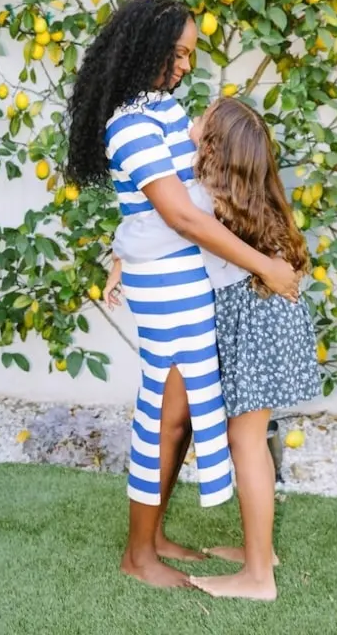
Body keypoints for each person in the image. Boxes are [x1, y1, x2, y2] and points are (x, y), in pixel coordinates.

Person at [64, 0, 300, 589]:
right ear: (145, 47)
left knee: (185, 417)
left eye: (191, 54)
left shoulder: (163, 110)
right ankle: (138, 555)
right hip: (167, 285)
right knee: (165, 418)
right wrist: (266, 268)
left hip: (186, 276)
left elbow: (198, 187)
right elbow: (182, 217)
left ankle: (157, 535)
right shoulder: (130, 125)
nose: (186, 65)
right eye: (178, 53)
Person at [105, 96, 320, 601]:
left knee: (245, 441)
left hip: (253, 322)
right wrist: (118, 259)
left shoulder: (202, 201)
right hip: (268, 320)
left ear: (213, 146)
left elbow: (156, 227)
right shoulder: (241, 196)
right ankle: (257, 553)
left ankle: (257, 578)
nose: (190, 121)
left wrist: (119, 256)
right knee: (249, 437)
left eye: (200, 119)